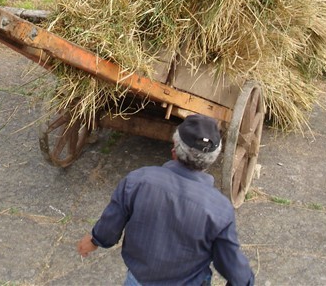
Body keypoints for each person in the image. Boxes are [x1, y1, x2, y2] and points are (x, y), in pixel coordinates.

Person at [77, 114, 255, 286]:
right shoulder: (219, 209)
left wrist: (94, 241)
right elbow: (236, 270)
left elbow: (110, 226)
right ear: (212, 159)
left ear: (175, 149)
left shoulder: (139, 181)